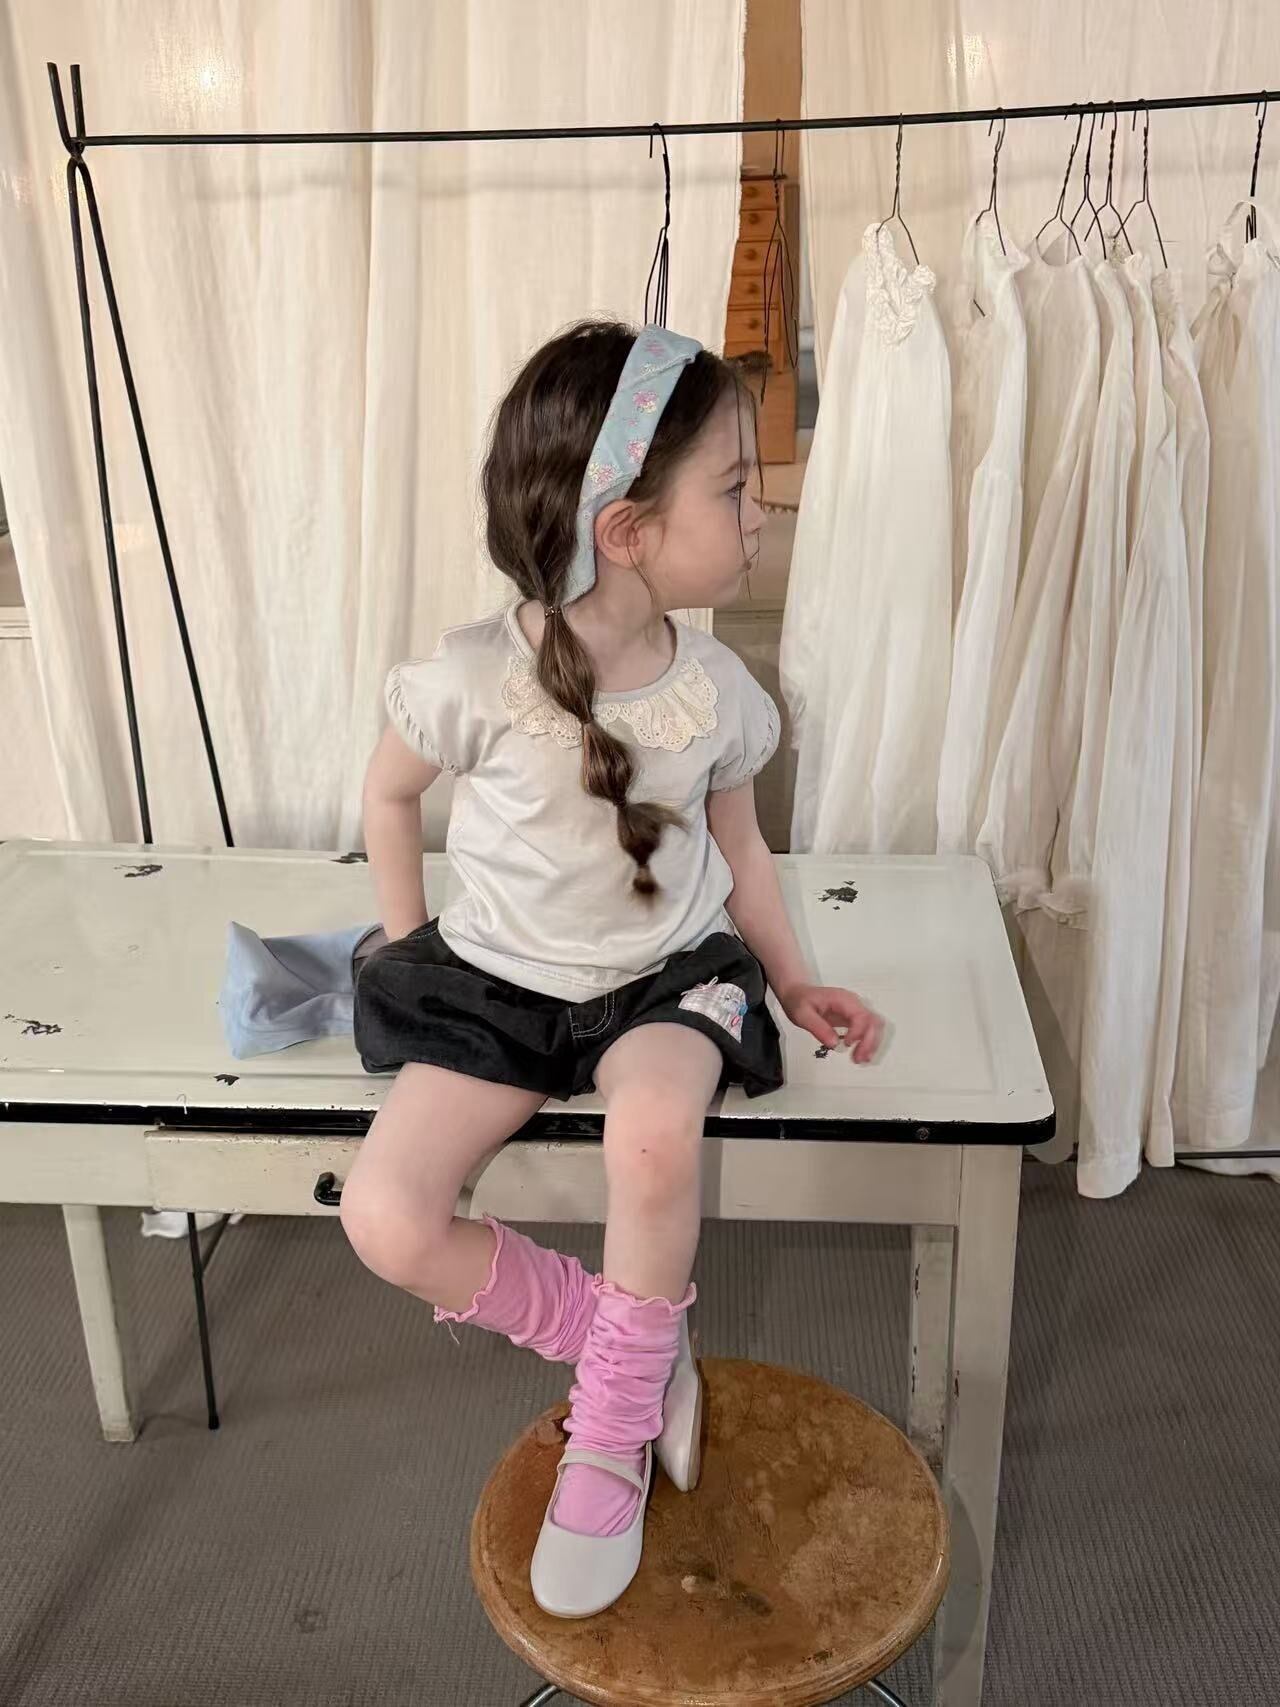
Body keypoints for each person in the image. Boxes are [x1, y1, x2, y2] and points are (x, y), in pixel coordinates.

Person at [341, 319, 884, 1618]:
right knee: (385, 1217)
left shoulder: (719, 689)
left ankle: (612, 1428)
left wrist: (791, 979)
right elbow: (388, 797)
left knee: (652, 1137)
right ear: (629, 530)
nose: (759, 515)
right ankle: (624, 1345)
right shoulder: (476, 674)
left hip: (663, 976)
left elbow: (742, 852)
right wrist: (408, 943)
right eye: (735, 489)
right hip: (500, 978)